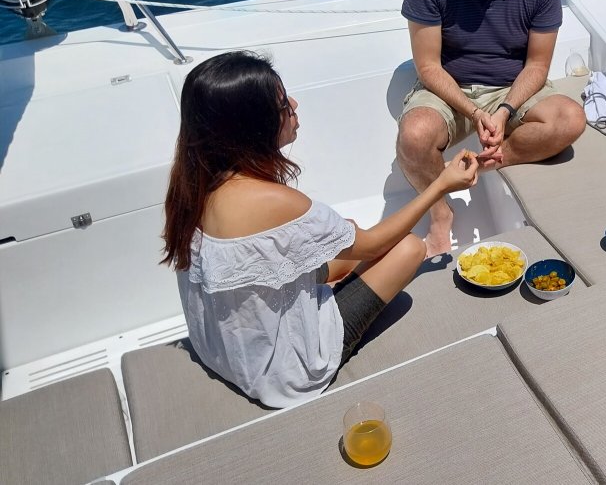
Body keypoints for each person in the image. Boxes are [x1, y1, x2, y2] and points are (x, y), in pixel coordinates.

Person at [161, 51, 479, 408]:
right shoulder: (274, 202)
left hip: (226, 352)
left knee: (347, 234)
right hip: (288, 373)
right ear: (252, 126)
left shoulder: (192, 188)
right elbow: (375, 244)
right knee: (408, 249)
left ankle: (336, 273)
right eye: (284, 106)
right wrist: (441, 184)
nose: (295, 105)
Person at [398, 0, 586, 256]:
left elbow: (537, 66)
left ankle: (480, 166)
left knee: (570, 119)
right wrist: (472, 110)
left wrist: (503, 111)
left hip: (510, 86)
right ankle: (440, 214)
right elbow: (429, 68)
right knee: (414, 136)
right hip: (450, 85)